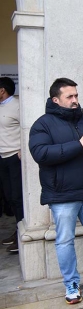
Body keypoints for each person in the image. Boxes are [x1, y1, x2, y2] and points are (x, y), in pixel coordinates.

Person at [29, 78, 83, 304]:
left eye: (76, 95)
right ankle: (70, 283)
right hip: (63, 195)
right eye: (70, 96)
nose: (75, 100)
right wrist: (79, 144)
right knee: (65, 240)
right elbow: (41, 154)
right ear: (55, 99)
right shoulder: (43, 124)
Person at [0, 77, 22, 253]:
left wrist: (22, 149)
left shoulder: (17, 105)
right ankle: (17, 230)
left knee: (17, 197)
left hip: (15, 156)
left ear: (2, 90)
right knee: (9, 197)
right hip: (2, 156)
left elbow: (27, 127)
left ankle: (21, 233)